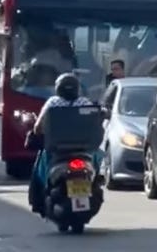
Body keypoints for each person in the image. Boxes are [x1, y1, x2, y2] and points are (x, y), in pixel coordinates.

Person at [27, 73, 104, 214]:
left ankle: (38, 201)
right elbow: (96, 125)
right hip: (84, 150)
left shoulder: (52, 103)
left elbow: (38, 127)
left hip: (57, 150)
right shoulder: (85, 103)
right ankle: (97, 179)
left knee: (39, 169)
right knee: (98, 159)